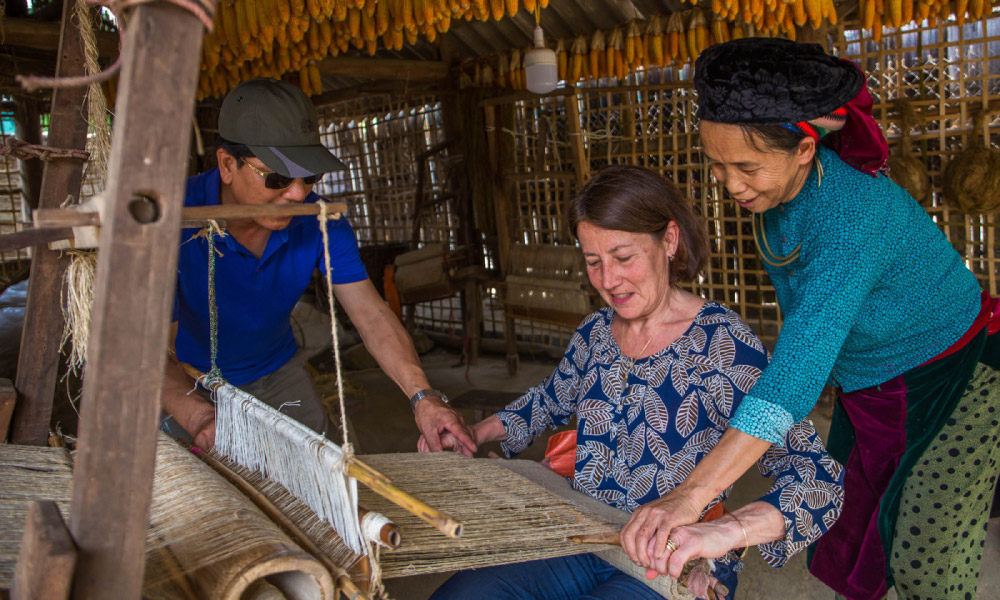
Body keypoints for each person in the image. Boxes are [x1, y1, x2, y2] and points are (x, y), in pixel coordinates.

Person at [623, 37, 1000, 600]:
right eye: (717, 164)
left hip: (957, 375)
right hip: (872, 383)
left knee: (928, 558)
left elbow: (796, 374)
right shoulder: (775, 202)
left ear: (804, 149)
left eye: (746, 166)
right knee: (860, 543)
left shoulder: (852, 216)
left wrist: (688, 494)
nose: (730, 184)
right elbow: (807, 338)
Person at [423, 165, 844, 600]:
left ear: (669, 241)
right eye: (593, 262)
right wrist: (474, 433)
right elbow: (549, 400)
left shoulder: (723, 346)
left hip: (669, 559)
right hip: (581, 533)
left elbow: (817, 480)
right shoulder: (596, 334)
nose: (608, 280)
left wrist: (724, 532)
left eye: (623, 258)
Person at [159, 78, 474, 455]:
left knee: (333, 474)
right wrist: (198, 417)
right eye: (276, 177)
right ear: (228, 164)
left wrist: (423, 397)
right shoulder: (171, 222)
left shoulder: (321, 221)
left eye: (308, 177)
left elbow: (371, 315)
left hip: (278, 370)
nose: (296, 194)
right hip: (189, 381)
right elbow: (151, 350)